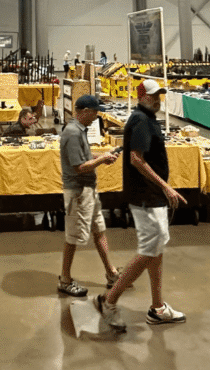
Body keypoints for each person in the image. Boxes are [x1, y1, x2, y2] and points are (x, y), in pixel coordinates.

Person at [97, 79, 186, 330]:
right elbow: (136, 159)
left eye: (159, 95)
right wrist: (165, 186)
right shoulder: (140, 120)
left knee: (156, 249)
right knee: (150, 249)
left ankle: (157, 308)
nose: (157, 99)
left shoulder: (147, 118)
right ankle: (110, 300)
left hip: (151, 195)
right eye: (152, 95)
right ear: (141, 96)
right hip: (146, 196)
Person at [57, 95, 121, 297]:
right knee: (73, 236)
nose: (96, 116)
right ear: (84, 111)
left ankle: (112, 274)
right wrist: (101, 160)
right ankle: (65, 280)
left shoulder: (79, 130)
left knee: (99, 230)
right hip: (78, 192)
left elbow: (84, 158)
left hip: (88, 191)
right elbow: (79, 167)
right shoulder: (73, 133)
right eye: (94, 112)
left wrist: (101, 156)